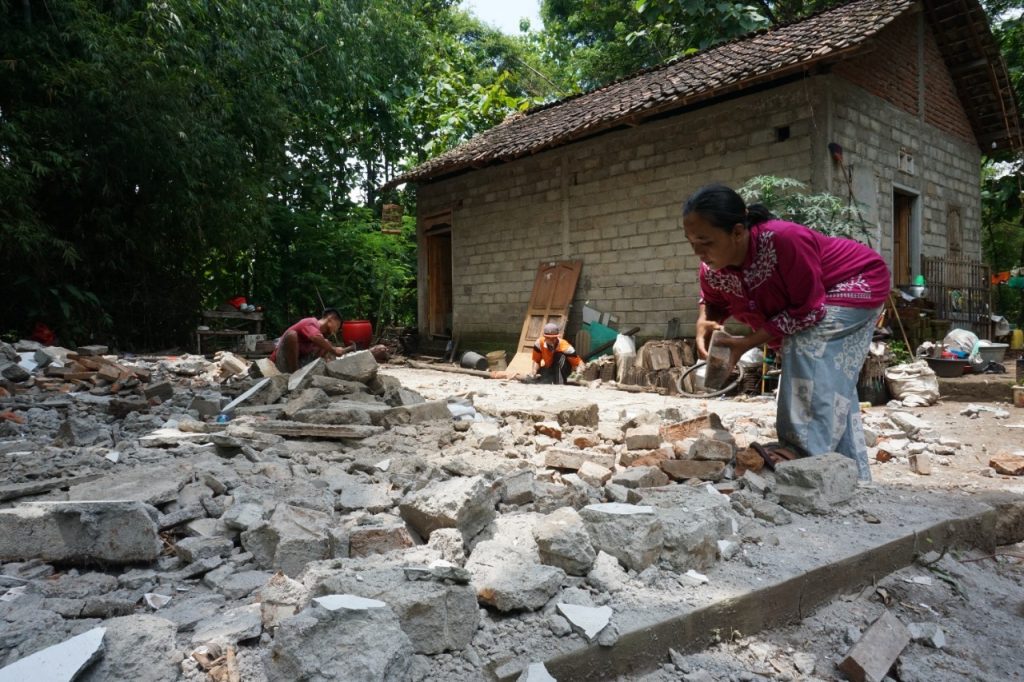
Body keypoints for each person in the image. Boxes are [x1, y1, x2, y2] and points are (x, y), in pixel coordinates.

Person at [683, 183, 890, 480]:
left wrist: (745, 344)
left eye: (705, 241)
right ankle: (853, 477)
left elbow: (809, 311)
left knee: (805, 345)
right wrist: (705, 320)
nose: (698, 252)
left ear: (738, 232)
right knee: (831, 384)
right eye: (691, 242)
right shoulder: (713, 269)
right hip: (813, 303)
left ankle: (800, 455)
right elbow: (713, 302)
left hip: (856, 282)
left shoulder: (783, 239)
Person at [270, 308, 352, 373]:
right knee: (292, 335)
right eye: (337, 325)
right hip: (280, 362)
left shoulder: (319, 336)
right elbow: (315, 337)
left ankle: (307, 372)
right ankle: (294, 374)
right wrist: (334, 350)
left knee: (325, 343)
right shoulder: (310, 322)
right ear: (330, 319)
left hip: (298, 362)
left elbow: (320, 342)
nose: (336, 330)